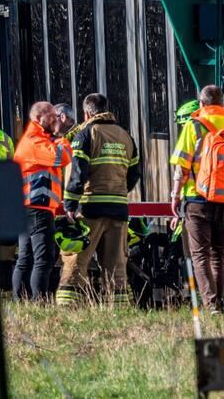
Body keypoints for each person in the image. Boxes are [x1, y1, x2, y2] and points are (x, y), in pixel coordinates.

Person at [57, 94, 141, 306]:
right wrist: (120, 191)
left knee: (76, 259)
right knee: (116, 264)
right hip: (119, 209)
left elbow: (78, 173)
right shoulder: (125, 136)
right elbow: (134, 173)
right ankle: (118, 307)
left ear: (86, 113)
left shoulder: (85, 135)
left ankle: (68, 305)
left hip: (90, 208)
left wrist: (70, 204)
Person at [169, 85, 224, 314]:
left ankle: (211, 305)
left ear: (202, 104)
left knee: (200, 254)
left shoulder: (194, 126)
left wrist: (175, 196)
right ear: (223, 104)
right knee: (218, 255)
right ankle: (218, 302)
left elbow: (182, 166)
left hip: (197, 198)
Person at [12, 101, 72, 301]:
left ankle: (20, 300)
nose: (55, 119)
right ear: (39, 118)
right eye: (51, 116)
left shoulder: (37, 140)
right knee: (43, 259)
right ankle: (38, 301)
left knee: (26, 258)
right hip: (36, 208)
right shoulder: (34, 141)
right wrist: (61, 138)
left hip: (29, 208)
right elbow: (62, 158)